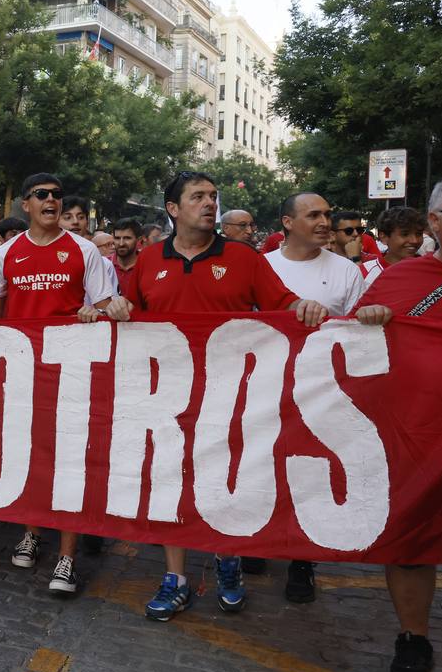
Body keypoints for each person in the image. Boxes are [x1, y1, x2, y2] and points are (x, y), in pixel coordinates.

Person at [122, 171, 328, 621]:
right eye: (198, 197)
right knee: (168, 486)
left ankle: (227, 559)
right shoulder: (149, 258)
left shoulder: (243, 257)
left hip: (229, 394)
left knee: (225, 480)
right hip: (168, 396)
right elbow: (129, 310)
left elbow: (283, 302)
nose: (209, 203)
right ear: (173, 209)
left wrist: (304, 308)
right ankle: (175, 578)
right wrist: (111, 309)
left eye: (213, 196)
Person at [352, 173, 442, 672]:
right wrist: (368, 322)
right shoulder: (400, 280)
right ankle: (414, 637)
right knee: (412, 545)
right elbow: (351, 360)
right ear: (437, 222)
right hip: (418, 444)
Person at [0, 173, 125, 595]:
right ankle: (31, 533)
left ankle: (67, 557)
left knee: (70, 462)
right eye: (42, 194)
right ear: (25, 204)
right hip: (25, 372)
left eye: (57, 195)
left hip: (73, 371)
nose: (51, 200)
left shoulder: (83, 251)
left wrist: (113, 309)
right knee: (30, 456)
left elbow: (103, 305)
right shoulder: (6, 253)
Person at [261, 192, 366, 602]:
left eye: (327, 215)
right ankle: (260, 543)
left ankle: (301, 559)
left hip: (321, 392)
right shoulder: (262, 266)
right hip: (267, 388)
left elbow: (358, 332)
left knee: (309, 473)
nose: (325, 222)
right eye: (314, 215)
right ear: (288, 222)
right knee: (265, 465)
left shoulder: (345, 272)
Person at [362, 207, 427, 287]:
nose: (414, 240)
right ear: (384, 237)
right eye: (405, 234)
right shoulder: (364, 272)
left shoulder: (430, 270)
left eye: (419, 234)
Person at [110, 218, 142, 291]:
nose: (121, 243)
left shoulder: (147, 266)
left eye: (127, 238)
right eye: (117, 238)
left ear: (139, 240)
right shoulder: (104, 264)